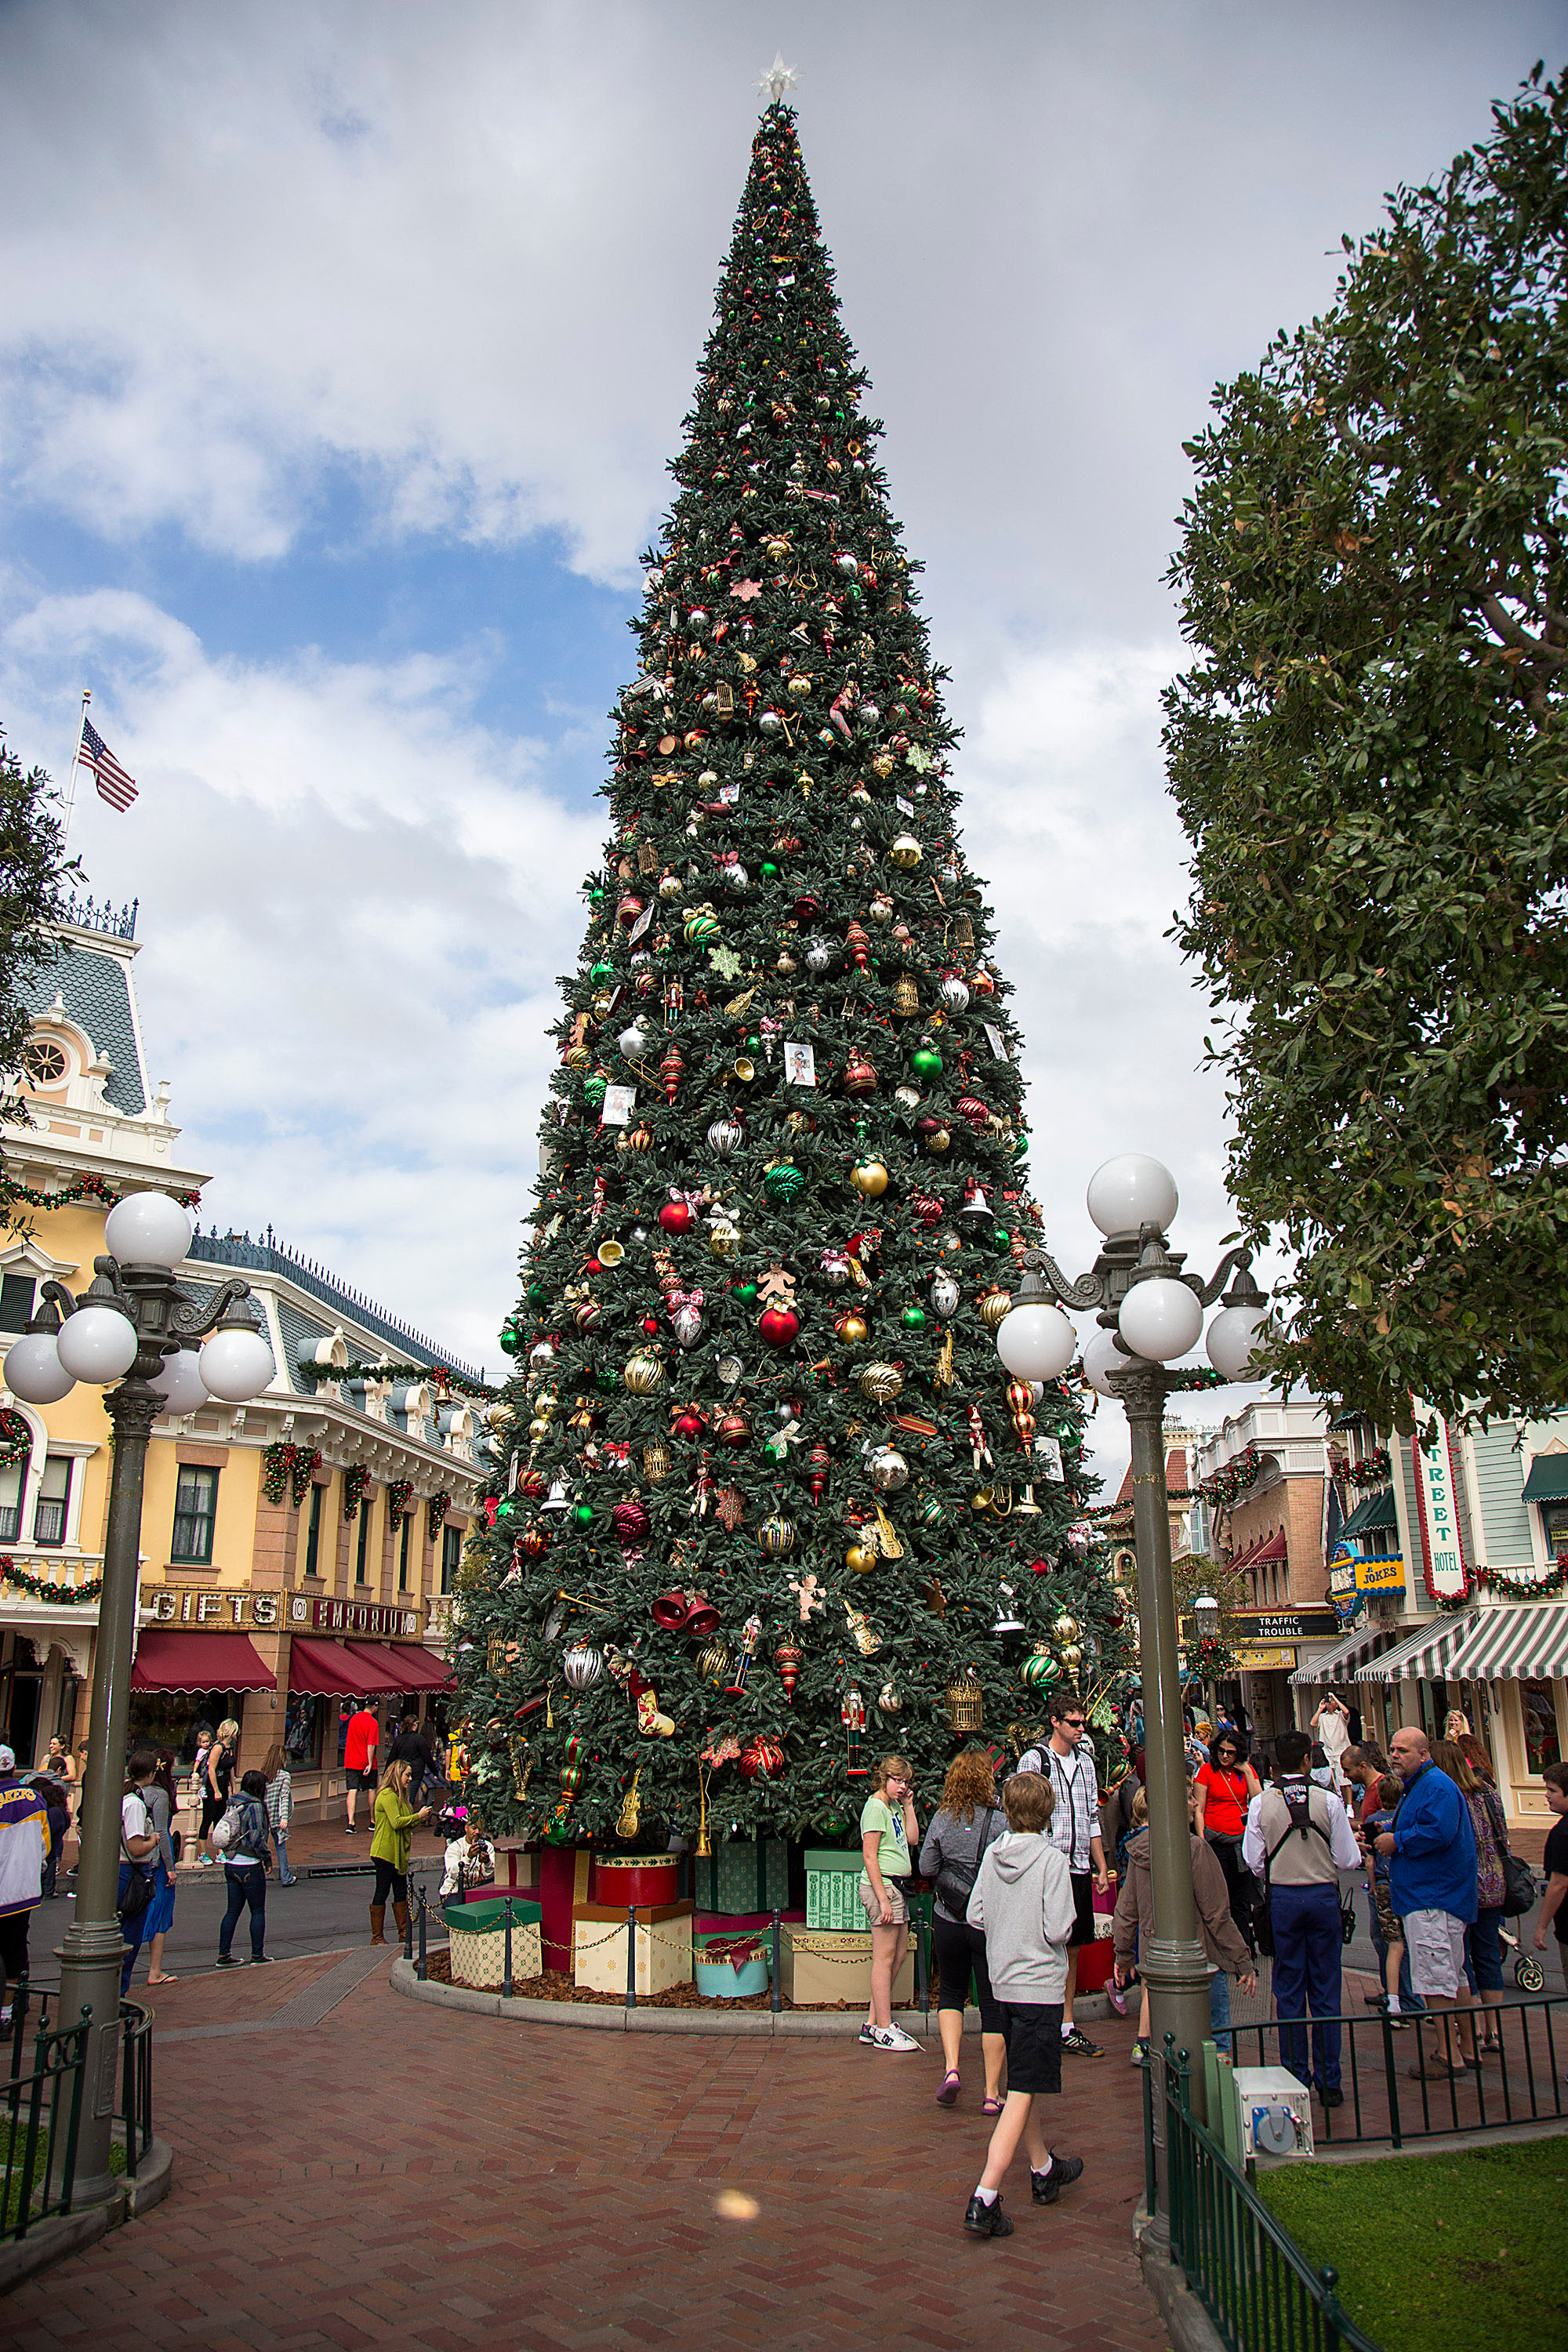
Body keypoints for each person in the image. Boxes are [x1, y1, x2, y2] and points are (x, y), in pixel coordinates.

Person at [960, 1772, 1084, 2238]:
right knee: (1023, 2089)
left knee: (1023, 2081)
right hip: (1039, 1989)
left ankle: (1043, 2169)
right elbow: (1058, 1929)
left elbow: (976, 1914)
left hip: (1002, 1984)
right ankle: (985, 2195)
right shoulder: (1051, 1861)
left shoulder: (993, 1855)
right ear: (1047, 1812)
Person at [1243, 1728, 1361, 2106]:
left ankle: (1295, 2074)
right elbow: (1348, 1859)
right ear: (1308, 1760)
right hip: (1323, 1895)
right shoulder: (1328, 1801)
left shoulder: (1262, 1803)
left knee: (1289, 1986)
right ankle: (1330, 2081)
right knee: (1325, 1987)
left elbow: (1252, 1859)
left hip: (1284, 1899)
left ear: (1276, 1763)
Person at [1113, 1785, 1257, 2063]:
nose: (1195, 1804)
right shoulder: (1195, 1849)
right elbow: (1217, 1914)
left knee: (1169, 2046)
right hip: (1201, 1960)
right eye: (1189, 1798)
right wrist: (1242, 1959)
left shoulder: (1140, 1850)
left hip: (1157, 1961)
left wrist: (1124, 1954)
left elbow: (1126, 1911)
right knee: (1217, 2043)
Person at [1373, 1726, 1477, 2081]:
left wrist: (1396, 1841)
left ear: (1424, 1753)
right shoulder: (1422, 1785)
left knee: (1436, 1978)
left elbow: (1438, 1832)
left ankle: (1449, 2054)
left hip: (1434, 1897)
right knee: (1454, 1973)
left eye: (1402, 1750)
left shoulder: (1435, 1786)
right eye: (1393, 1748)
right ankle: (1466, 2047)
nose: (1395, 1755)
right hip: (1431, 1895)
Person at [1018, 1690, 1109, 2057]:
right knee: (1043, 1942)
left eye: (1082, 1722)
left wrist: (1100, 1864)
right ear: (1055, 1722)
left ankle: (1067, 2022)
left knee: (1073, 1944)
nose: (1080, 1728)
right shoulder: (1035, 1760)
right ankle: (1040, 2019)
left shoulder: (1086, 1763)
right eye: (1073, 1722)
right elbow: (1022, 1813)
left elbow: (1091, 1815)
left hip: (1078, 1866)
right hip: (1045, 1868)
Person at [919, 1748, 1009, 2111]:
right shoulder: (1001, 1822)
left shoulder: (943, 1818)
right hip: (987, 1922)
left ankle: (952, 2069)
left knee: (952, 1994)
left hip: (949, 1917)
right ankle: (991, 2092)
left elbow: (926, 1867)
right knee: (992, 2003)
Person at [1435, 1736, 1512, 2059]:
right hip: (1493, 1881)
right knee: (1488, 1955)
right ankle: (1492, 2029)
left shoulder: (1450, 1796)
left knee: (1461, 1958)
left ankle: (1464, 2028)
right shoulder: (1489, 1792)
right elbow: (1503, 1835)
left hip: (1463, 1886)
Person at [858, 1754, 920, 2052]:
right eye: (897, 1780)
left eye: (906, 1782)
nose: (902, 1786)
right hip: (883, 1886)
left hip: (897, 1887)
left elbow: (911, 1839)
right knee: (883, 1958)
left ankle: (872, 2023)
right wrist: (882, 1898)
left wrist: (908, 1805)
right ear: (884, 1778)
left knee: (898, 1956)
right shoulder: (874, 1807)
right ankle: (883, 2028)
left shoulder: (895, 1806)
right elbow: (870, 1855)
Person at [1193, 1730, 1261, 1955]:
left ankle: (1244, 1950)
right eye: (1221, 1751)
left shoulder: (1245, 1771)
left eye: (1230, 1753)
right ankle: (1221, 1950)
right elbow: (1199, 1809)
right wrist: (1202, 1841)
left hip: (1241, 1842)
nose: (1225, 1756)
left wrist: (1247, 1773)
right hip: (1217, 1840)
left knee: (1241, 1900)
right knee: (1220, 1899)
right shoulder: (1206, 1771)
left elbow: (1259, 1802)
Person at [0, 1743, 51, 2015]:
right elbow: (46, 1845)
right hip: (23, 1890)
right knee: (16, 1950)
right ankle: (9, 2011)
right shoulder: (34, 1797)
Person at [1357, 1774, 1412, 2024]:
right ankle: (1418, 1998)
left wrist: (1372, 1885)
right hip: (1406, 1884)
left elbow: (1369, 1858)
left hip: (1383, 1885)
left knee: (1393, 1943)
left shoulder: (1371, 1821)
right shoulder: (1407, 1816)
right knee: (1411, 1942)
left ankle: (1394, 2002)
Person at [215, 1769, 273, 1966]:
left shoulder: (233, 1801)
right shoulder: (256, 1806)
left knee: (232, 1911)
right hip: (250, 1864)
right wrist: (267, 1858)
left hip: (231, 1862)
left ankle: (224, 1954)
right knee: (257, 1911)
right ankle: (257, 1954)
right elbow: (257, 1838)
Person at [369, 1759, 430, 1947]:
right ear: (397, 1775)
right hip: (385, 1852)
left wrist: (420, 1818)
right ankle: (377, 1937)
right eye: (407, 1775)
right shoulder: (387, 1796)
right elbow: (396, 1822)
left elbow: (407, 1821)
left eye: (411, 1775)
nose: (410, 1779)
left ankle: (403, 1933)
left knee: (401, 1892)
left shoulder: (401, 1797)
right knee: (382, 1891)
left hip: (398, 1854)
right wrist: (417, 1816)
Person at [118, 1747, 162, 1992]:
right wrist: (153, 1841)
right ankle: (119, 1993)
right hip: (131, 1872)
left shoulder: (125, 1797)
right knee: (129, 1936)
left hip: (124, 1870)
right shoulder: (134, 1804)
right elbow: (135, 1847)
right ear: (151, 1773)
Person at [136, 1750, 180, 1987]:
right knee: (159, 1913)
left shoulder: (131, 1791)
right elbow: (162, 1834)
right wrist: (171, 1867)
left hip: (134, 1856)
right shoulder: (160, 1795)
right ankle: (155, 1970)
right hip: (156, 1859)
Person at [1532, 1760, 1568, 1999]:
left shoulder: (1562, 1834)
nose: (1547, 1796)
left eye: (1553, 1791)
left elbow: (1559, 1884)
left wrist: (1542, 1926)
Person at [29, 1762, 71, 1900]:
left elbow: (47, 1840)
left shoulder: (54, 1813)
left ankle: (47, 1890)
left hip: (47, 1861)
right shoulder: (56, 1811)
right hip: (48, 1858)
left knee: (50, 1857)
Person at [200, 1716, 238, 1865]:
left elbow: (231, 1770)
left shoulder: (230, 1749)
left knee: (220, 1819)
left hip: (224, 1785)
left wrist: (234, 1787)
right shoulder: (218, 1747)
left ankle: (220, 1851)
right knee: (208, 1818)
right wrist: (215, 1790)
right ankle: (202, 1852)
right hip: (213, 1786)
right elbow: (211, 1770)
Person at [343, 1702, 381, 1834]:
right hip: (365, 1761)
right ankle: (372, 1821)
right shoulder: (373, 1722)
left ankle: (351, 1822)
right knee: (371, 1790)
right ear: (375, 1707)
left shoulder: (353, 1718)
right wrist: (370, 1763)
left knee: (352, 1790)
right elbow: (371, 1744)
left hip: (351, 1760)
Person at [440, 1813, 495, 1900]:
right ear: (466, 1828)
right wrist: (468, 1857)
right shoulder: (455, 1847)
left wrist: (487, 1862)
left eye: (480, 1829)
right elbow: (454, 1873)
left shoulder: (488, 1846)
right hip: (454, 1892)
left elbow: (490, 1875)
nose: (477, 1832)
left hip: (477, 1890)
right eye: (474, 1828)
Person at [263, 1743, 296, 1886]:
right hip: (277, 1817)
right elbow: (284, 1797)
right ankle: (286, 1877)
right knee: (281, 1847)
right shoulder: (285, 1776)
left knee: (261, 1846)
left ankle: (260, 1873)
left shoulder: (263, 1774)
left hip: (264, 1816)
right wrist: (284, 1817)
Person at [389, 1712, 435, 1809]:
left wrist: (387, 1773)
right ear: (414, 1724)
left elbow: (392, 1757)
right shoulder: (419, 1739)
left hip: (401, 1773)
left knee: (401, 1798)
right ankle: (407, 1820)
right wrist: (435, 1771)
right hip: (415, 1773)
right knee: (410, 1800)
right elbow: (427, 1757)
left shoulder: (399, 1739)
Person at [1311, 1693, 1353, 1787]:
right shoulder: (1322, 1717)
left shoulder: (1340, 1715)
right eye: (1328, 1701)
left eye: (1332, 1701)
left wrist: (1334, 1698)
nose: (1329, 1702)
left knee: (1345, 1780)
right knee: (1331, 1779)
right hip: (1328, 1752)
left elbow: (1346, 1712)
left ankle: (1348, 1801)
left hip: (1340, 1751)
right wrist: (1320, 1709)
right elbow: (1313, 1723)